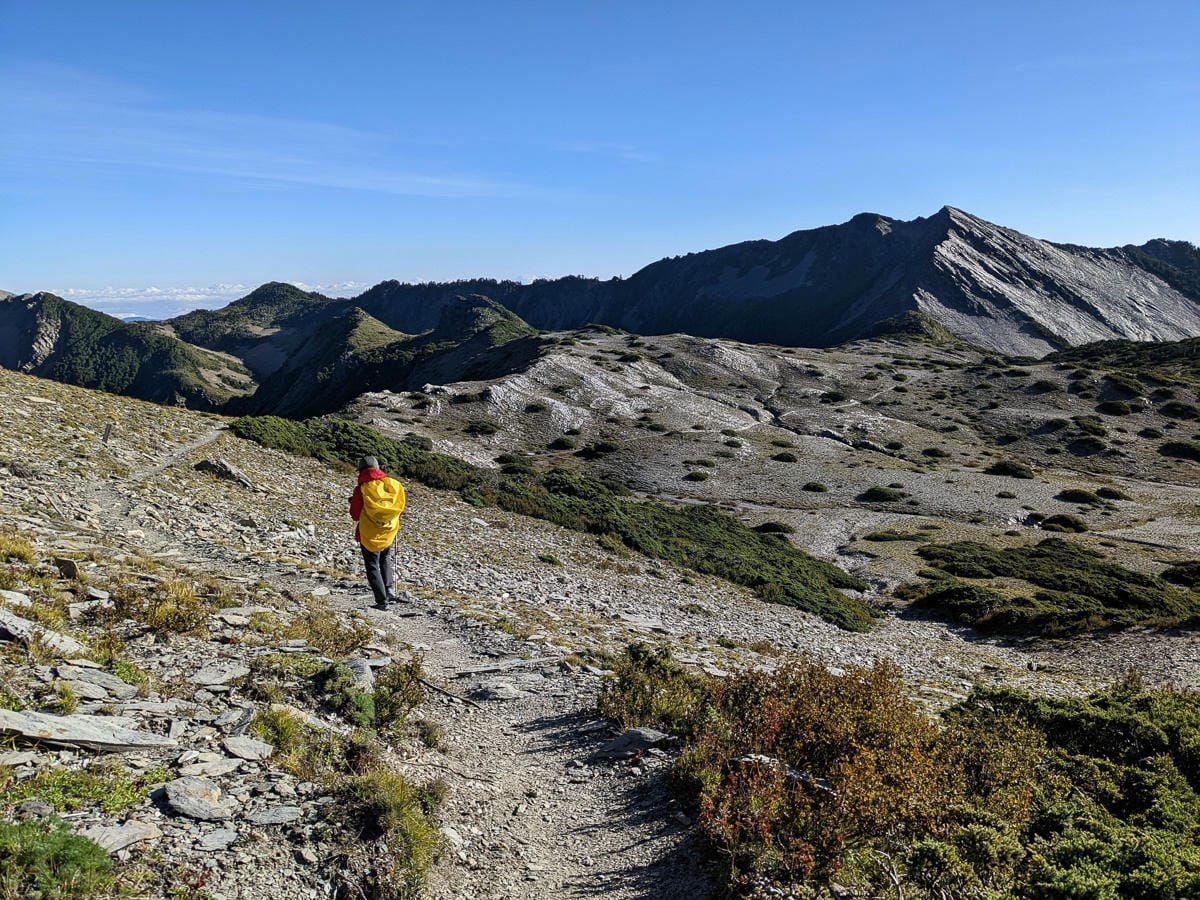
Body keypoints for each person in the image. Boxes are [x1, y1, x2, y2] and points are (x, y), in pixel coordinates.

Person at [349, 456, 406, 609]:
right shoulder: (394, 485)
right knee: (385, 558)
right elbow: (400, 509)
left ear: (361, 471)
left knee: (372, 564)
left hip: (369, 533)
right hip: (389, 530)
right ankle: (389, 591)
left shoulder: (361, 489)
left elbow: (355, 515)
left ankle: (382, 601)